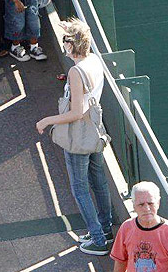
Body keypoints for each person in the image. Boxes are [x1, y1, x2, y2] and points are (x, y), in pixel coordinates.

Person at [36, 19, 113, 255]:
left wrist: (47, 121)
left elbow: (76, 112)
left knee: (80, 188)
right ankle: (105, 228)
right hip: (94, 132)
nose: (63, 45)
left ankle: (99, 239)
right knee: (98, 182)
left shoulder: (76, 71)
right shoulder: (94, 62)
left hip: (78, 136)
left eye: (65, 40)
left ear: (72, 44)